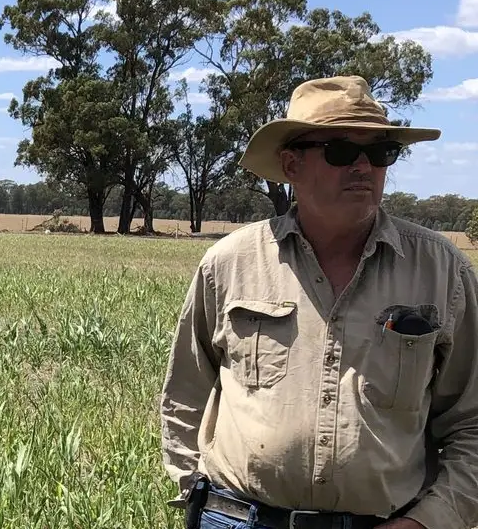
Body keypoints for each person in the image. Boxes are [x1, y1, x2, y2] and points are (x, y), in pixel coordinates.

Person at [159, 75, 478, 529]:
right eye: (341, 151)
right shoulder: (229, 263)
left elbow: (472, 422)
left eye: (381, 153)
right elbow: (185, 392)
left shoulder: (443, 271)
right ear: (291, 164)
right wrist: (194, 488)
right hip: (238, 519)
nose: (364, 167)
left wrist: (428, 521)